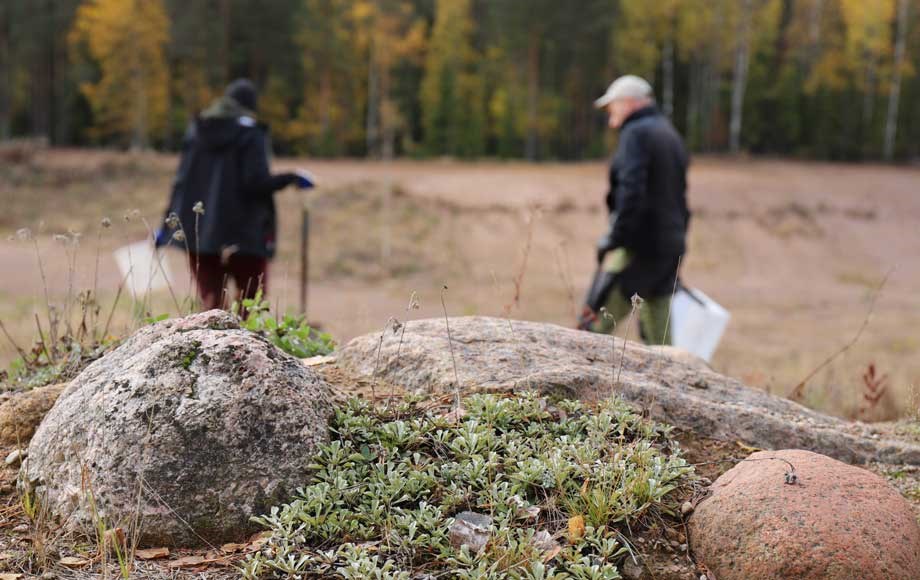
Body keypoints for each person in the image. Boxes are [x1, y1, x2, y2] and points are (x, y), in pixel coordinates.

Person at [157, 78, 314, 310]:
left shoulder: (197, 132)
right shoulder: (251, 134)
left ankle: (209, 345)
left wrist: (166, 225)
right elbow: (256, 182)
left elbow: (181, 181)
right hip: (244, 236)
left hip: (199, 235)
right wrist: (291, 178)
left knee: (211, 306)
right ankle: (245, 347)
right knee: (251, 307)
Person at [578, 75, 689, 345]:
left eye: (611, 107)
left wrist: (615, 237)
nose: (609, 114)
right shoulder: (668, 133)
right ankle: (668, 379)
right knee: (659, 337)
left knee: (592, 324)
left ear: (628, 103)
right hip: (670, 247)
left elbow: (631, 192)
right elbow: (679, 196)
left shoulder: (636, 134)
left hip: (639, 247)